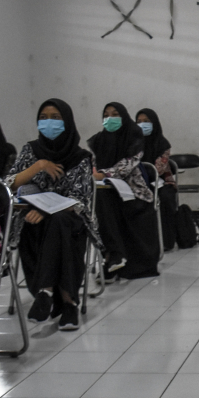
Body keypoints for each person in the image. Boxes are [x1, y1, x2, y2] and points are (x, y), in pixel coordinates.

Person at [5, 99, 99, 331]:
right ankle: (69, 304)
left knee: (60, 222)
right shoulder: (30, 150)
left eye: (56, 117)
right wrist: (39, 166)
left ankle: (46, 292)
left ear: (67, 121)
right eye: (44, 117)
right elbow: (10, 184)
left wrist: (46, 209)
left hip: (68, 217)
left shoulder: (81, 157)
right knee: (50, 225)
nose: (49, 122)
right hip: (32, 218)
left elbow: (80, 199)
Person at [88, 102, 159, 281]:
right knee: (100, 200)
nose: (110, 118)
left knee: (105, 203)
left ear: (124, 117)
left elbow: (128, 164)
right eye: (106, 115)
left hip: (132, 191)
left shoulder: (134, 136)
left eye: (115, 114)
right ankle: (113, 256)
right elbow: (93, 163)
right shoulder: (98, 140)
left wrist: (104, 174)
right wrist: (96, 172)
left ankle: (114, 256)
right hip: (106, 189)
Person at [136, 108, 178, 251]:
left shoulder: (162, 144)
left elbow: (158, 169)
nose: (142, 125)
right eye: (139, 122)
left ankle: (166, 240)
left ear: (154, 123)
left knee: (165, 197)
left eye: (146, 122)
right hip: (136, 181)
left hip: (160, 182)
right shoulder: (132, 143)